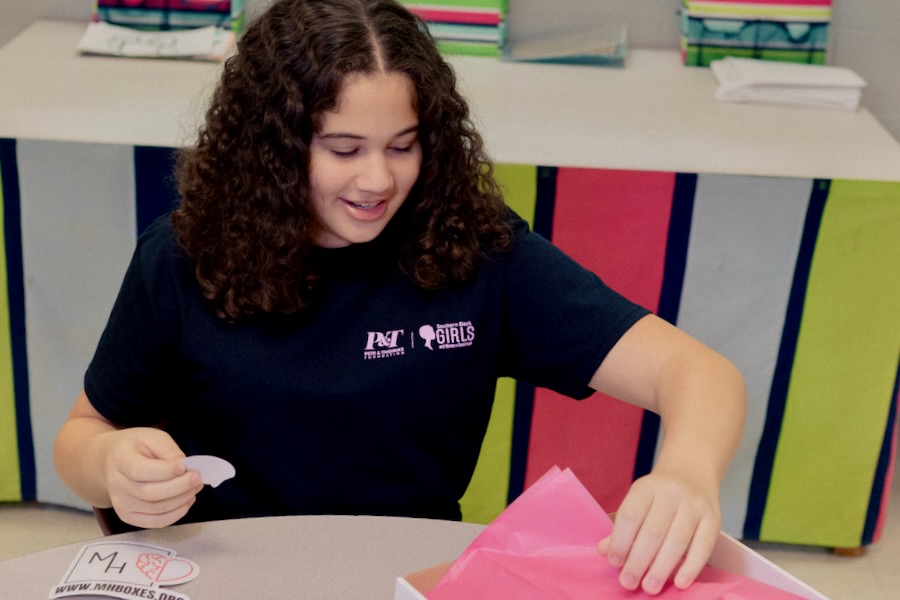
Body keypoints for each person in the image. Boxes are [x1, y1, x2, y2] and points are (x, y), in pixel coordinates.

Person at [54, 0, 746, 595]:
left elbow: (699, 373)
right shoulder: (182, 256)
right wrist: (112, 470)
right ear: (270, 147)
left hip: (405, 577)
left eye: (404, 146)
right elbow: (82, 437)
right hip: (221, 573)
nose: (379, 180)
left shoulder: (474, 253)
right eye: (344, 149)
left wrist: (685, 473)